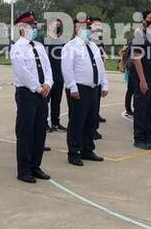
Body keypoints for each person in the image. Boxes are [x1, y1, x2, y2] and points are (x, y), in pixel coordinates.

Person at [10, 11, 53, 183]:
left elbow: (47, 67)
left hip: (42, 92)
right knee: (25, 132)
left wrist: (48, 83)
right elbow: (23, 72)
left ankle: (36, 166)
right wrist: (37, 87)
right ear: (21, 28)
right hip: (27, 93)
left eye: (34, 25)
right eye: (29, 26)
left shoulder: (39, 46)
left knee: (39, 130)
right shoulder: (17, 48)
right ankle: (24, 169)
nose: (33, 28)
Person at [61, 17, 108, 166]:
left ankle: (88, 150)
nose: (88, 30)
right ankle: (74, 152)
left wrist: (104, 84)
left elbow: (100, 67)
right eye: (84, 28)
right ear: (76, 29)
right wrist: (72, 87)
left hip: (93, 88)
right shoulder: (70, 46)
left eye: (89, 27)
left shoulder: (93, 46)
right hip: (79, 88)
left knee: (91, 120)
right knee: (77, 121)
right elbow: (67, 69)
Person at [130, 10, 151, 150]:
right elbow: (136, 59)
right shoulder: (139, 36)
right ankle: (139, 138)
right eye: (150, 18)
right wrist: (142, 80)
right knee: (141, 109)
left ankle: (148, 136)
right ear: (143, 20)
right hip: (143, 79)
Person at [45, 19, 67, 132]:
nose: (56, 27)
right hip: (48, 77)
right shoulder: (44, 41)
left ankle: (56, 122)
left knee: (56, 101)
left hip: (59, 76)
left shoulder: (63, 42)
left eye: (58, 25)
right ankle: (44, 123)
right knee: (45, 101)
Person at [118, 36, 134, 119]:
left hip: (130, 70)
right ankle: (128, 109)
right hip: (131, 70)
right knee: (131, 90)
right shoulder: (131, 46)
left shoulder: (131, 45)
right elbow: (122, 54)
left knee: (132, 91)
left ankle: (130, 108)